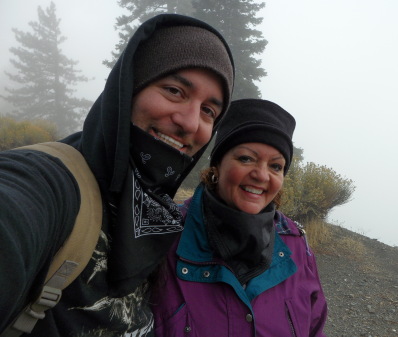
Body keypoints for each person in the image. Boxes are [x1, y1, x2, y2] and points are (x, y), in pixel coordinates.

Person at [0, 14, 234, 336]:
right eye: (174, 90)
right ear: (128, 88)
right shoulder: (50, 185)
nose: (191, 123)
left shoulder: (158, 214)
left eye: (209, 111)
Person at [151, 99, 328, 337]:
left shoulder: (297, 245)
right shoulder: (165, 236)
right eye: (246, 158)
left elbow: (315, 328)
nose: (262, 175)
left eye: (276, 166)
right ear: (217, 165)